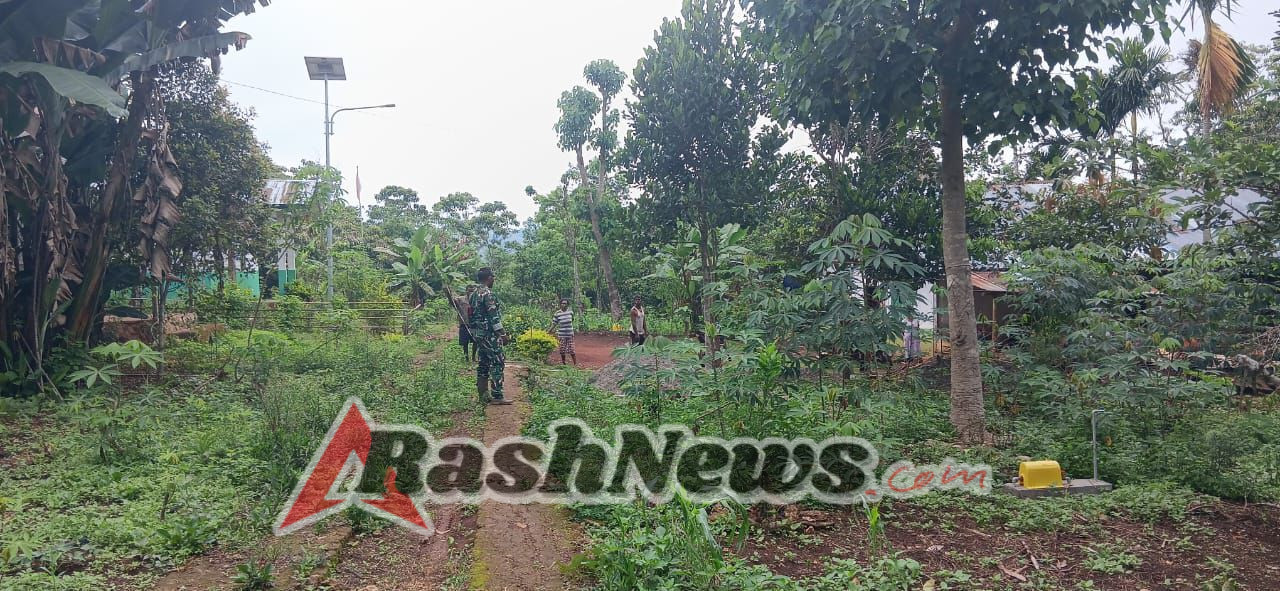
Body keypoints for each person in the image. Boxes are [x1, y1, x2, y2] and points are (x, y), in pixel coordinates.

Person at [468, 268, 511, 405]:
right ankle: (497, 395)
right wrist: (503, 335)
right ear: (489, 278)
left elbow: (471, 315)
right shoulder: (488, 294)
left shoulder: (474, 294)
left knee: (484, 362)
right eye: (493, 277)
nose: (494, 279)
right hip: (489, 335)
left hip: (479, 335)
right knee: (498, 361)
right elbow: (494, 317)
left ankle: (483, 394)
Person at [550, 298, 576, 365]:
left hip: (570, 334)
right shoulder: (557, 313)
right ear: (560, 304)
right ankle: (564, 364)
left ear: (568, 305)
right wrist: (549, 331)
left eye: (565, 303)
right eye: (562, 303)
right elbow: (554, 323)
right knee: (562, 350)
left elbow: (572, 320)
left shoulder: (570, 312)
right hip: (561, 335)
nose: (564, 305)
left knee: (572, 350)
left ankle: (575, 364)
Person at [455, 285, 477, 362]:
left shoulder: (477, 300)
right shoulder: (461, 299)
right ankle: (466, 357)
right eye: (469, 290)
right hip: (464, 323)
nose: (470, 292)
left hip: (474, 324)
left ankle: (474, 357)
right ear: (466, 291)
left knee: (475, 341)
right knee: (465, 342)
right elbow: (453, 301)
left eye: (472, 291)